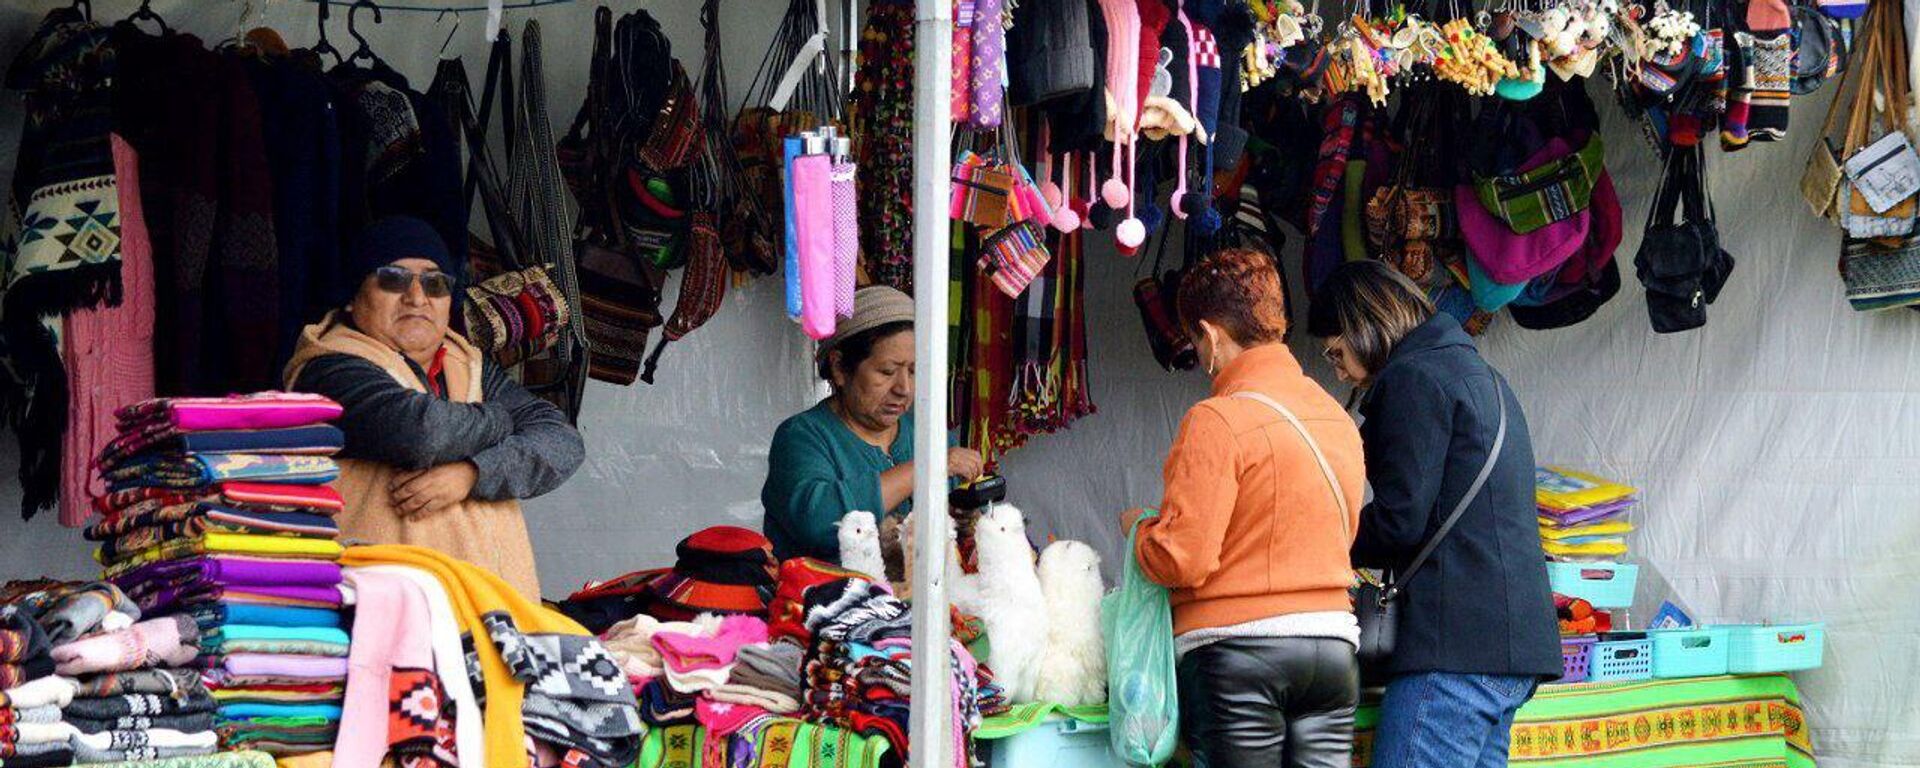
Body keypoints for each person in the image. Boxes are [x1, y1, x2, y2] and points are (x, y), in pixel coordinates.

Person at [1307, 261, 1560, 768]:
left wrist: (1318, 540)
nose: (1337, 370)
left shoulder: (1413, 379)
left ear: (1366, 326)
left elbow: (1400, 520)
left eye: (1337, 353)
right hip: (1513, 644)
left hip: (1456, 648)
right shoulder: (1479, 375)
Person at [1126, 248, 1366, 768]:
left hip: (1236, 654)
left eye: (1193, 340)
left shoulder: (1217, 419)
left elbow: (1182, 560)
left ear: (1210, 336)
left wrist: (1142, 531)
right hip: (1331, 648)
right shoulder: (1335, 417)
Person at [285, 217, 583, 600]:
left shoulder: (469, 364)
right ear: (353, 295)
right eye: (393, 279)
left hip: (493, 620)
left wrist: (473, 474)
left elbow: (563, 442)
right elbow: (421, 432)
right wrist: (500, 418)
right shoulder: (331, 366)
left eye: (434, 282)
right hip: (380, 620)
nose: (416, 297)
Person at [761, 286, 985, 562]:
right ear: (840, 368)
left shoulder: (928, 436)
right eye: (887, 372)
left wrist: (965, 519)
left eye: (913, 371)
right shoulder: (802, 437)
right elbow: (819, 523)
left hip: (918, 601)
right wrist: (930, 465)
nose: (904, 388)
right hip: (830, 601)